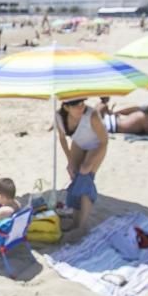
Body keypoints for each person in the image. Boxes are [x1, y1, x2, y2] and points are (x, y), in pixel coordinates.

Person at [55, 98, 108, 231]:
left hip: (97, 145)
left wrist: (89, 163)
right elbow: (62, 138)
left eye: (82, 104)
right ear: (66, 107)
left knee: (85, 175)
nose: (81, 108)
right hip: (78, 143)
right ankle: (75, 219)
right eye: (76, 106)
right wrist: (70, 161)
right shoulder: (59, 117)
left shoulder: (92, 115)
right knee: (74, 175)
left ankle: (82, 225)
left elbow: (104, 141)